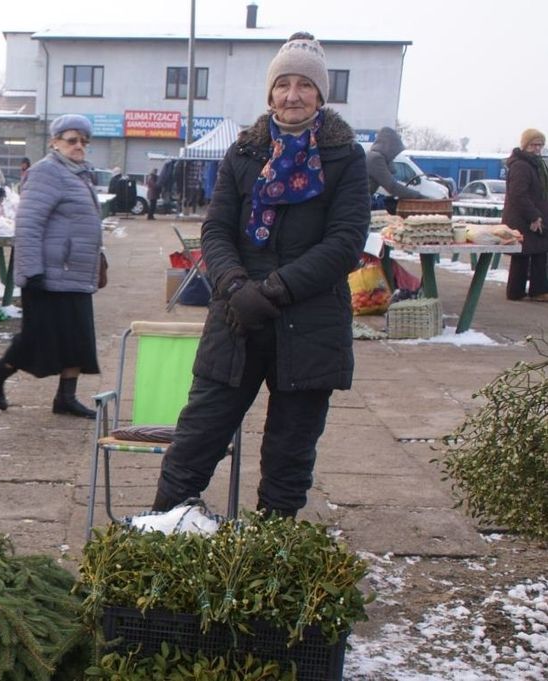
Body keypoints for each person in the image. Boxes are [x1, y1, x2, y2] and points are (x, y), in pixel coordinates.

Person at [150, 33, 368, 518]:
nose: (292, 95)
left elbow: (345, 242)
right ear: (270, 93)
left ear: (320, 94)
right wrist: (234, 287)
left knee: (289, 458)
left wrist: (275, 289)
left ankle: (267, 561)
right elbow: (216, 230)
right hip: (236, 321)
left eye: (304, 85)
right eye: (283, 84)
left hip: (310, 325)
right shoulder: (244, 154)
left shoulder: (346, 158)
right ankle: (164, 539)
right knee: (195, 441)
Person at [0, 114, 103, 418]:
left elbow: (84, 224)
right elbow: (29, 225)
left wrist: (101, 258)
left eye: (83, 141)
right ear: (54, 142)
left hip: (74, 271)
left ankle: (65, 398)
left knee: (79, 338)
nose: (79, 146)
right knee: (38, 338)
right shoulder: (47, 172)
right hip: (48, 273)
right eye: (72, 140)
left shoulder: (80, 175)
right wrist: (31, 271)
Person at [502, 128, 548, 301]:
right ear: (525, 145)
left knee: (538, 252)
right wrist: (534, 216)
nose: (537, 149)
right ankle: (518, 292)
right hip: (524, 217)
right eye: (533, 145)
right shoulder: (521, 166)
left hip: (532, 215)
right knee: (524, 254)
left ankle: (532, 291)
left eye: (540, 145)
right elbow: (518, 194)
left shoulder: (535, 164)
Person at [366, 126, 423, 213]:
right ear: (389, 147)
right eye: (393, 152)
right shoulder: (375, 158)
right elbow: (392, 186)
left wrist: (389, 161)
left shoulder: (376, 156)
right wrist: (418, 196)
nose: (394, 155)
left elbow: (392, 171)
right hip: (356, 203)